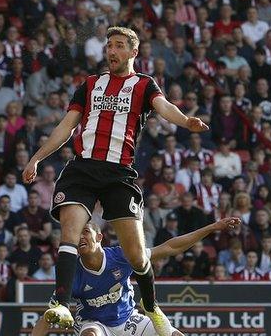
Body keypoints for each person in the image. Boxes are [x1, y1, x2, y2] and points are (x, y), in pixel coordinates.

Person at [22, 26, 208, 333]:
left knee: (136, 255)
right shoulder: (91, 84)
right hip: (82, 169)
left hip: (118, 174)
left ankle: (151, 306)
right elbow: (66, 126)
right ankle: (62, 305)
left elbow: (164, 108)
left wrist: (186, 121)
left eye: (119, 46)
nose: (112, 51)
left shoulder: (144, 85)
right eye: (109, 46)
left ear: (133, 52)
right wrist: (37, 157)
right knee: (69, 233)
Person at [31, 217, 239, 336]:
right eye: (77, 234)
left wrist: (212, 227)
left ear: (100, 237)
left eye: (86, 231)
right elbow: (47, 318)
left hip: (127, 319)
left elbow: (169, 247)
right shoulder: (71, 272)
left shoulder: (122, 256)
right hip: (94, 324)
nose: (81, 237)